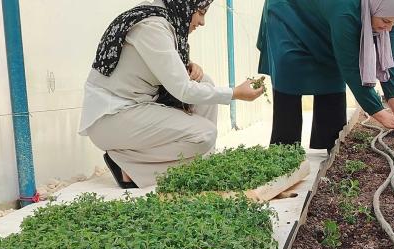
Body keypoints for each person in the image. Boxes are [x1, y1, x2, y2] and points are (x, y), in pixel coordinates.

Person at [79, 0, 265, 189]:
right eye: (200, 12)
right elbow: (183, 90)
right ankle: (127, 164)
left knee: (204, 81)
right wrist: (235, 93)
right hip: (112, 117)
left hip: (134, 109)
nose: (202, 22)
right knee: (205, 135)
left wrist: (188, 64)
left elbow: (162, 64)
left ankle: (204, 163)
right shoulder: (151, 26)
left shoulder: (163, 21)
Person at [257, 0, 394, 152]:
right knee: (290, 69)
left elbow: (389, 60)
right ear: (373, 8)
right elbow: (350, 67)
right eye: (386, 21)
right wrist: (379, 113)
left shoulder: (389, 12)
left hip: (322, 14)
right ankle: (285, 148)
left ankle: (330, 141)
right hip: (287, 10)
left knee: (331, 70)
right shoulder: (345, 10)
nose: (389, 27)